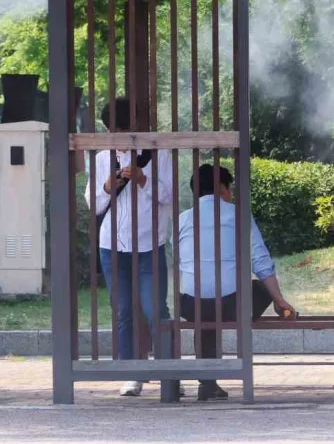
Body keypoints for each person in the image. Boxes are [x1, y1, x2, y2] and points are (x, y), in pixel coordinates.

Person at [177, 164, 296, 401]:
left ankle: (207, 381)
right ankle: (211, 380)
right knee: (256, 289)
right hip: (233, 306)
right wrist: (278, 300)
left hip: (191, 306)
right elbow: (260, 260)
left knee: (205, 311)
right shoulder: (239, 215)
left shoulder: (182, 219)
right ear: (222, 188)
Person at [85, 97, 174, 398]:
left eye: (122, 131)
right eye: (112, 131)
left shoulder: (156, 154)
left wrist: (143, 179)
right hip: (111, 246)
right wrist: (108, 187)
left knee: (155, 309)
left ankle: (169, 374)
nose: (118, 139)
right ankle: (131, 374)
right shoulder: (100, 159)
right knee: (123, 310)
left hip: (150, 244)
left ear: (134, 128)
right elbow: (93, 206)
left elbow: (168, 196)